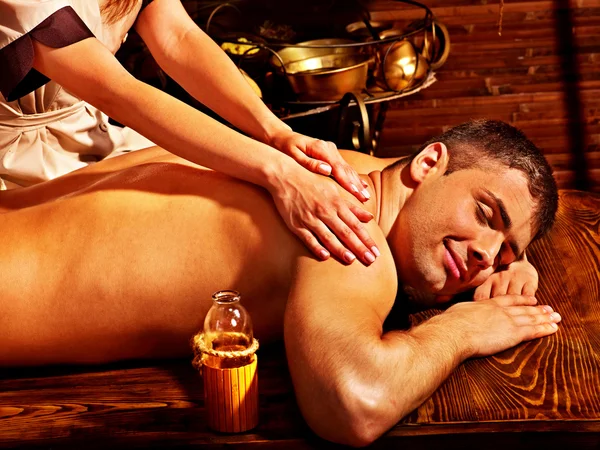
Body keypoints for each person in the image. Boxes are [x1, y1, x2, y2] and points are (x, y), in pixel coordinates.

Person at [0, 120, 560, 446]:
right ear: (429, 162)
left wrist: (512, 258)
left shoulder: (343, 170)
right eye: (485, 214)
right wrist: (462, 329)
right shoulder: (347, 235)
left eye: (503, 249)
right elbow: (355, 405)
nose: (485, 255)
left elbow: (446, 214)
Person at [0, 0, 379, 267]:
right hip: (22, 164)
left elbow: (178, 36)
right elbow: (116, 92)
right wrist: (280, 172)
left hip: (96, 130)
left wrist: (278, 135)